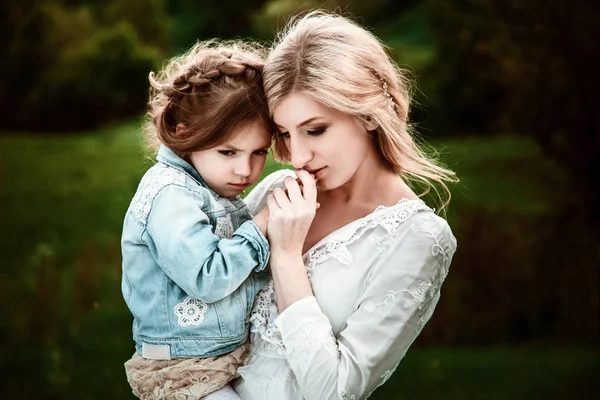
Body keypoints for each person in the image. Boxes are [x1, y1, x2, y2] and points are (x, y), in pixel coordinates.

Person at [229, 11, 459, 400]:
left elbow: (334, 392)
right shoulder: (278, 191)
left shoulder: (419, 239)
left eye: (315, 129)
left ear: (368, 114)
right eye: (285, 133)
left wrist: (285, 258)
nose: (298, 155)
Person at [120, 40, 276, 399]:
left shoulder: (211, 183)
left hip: (219, 354)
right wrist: (262, 224)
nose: (245, 170)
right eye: (228, 152)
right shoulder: (171, 195)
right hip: (180, 369)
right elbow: (208, 277)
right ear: (183, 132)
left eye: (258, 152)